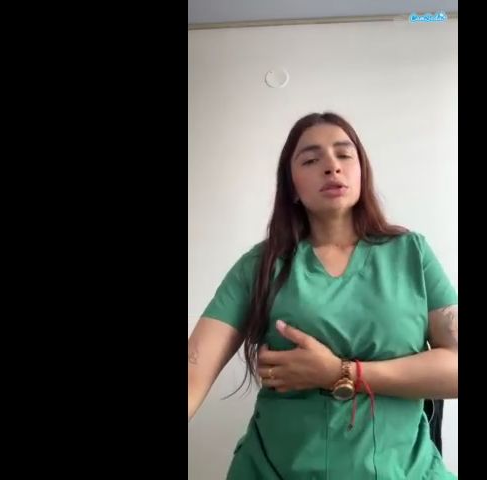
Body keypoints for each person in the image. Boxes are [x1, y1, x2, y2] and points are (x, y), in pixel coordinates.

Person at [188, 112, 458, 479]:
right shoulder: (260, 265)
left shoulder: (412, 253)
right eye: (311, 160)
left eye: (344, 155)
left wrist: (341, 373)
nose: (332, 166)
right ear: (291, 186)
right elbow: (194, 368)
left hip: (405, 471)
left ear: (362, 172)